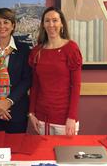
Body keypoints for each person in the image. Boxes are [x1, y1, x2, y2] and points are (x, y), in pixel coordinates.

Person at [28, 7, 82, 136]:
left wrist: (72, 118)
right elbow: (35, 86)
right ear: (43, 25)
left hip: (64, 119)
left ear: (61, 23)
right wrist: (31, 113)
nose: (51, 24)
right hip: (41, 118)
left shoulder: (71, 48)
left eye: (55, 20)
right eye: (47, 21)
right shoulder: (37, 51)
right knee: (43, 155)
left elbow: (76, 86)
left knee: (65, 156)